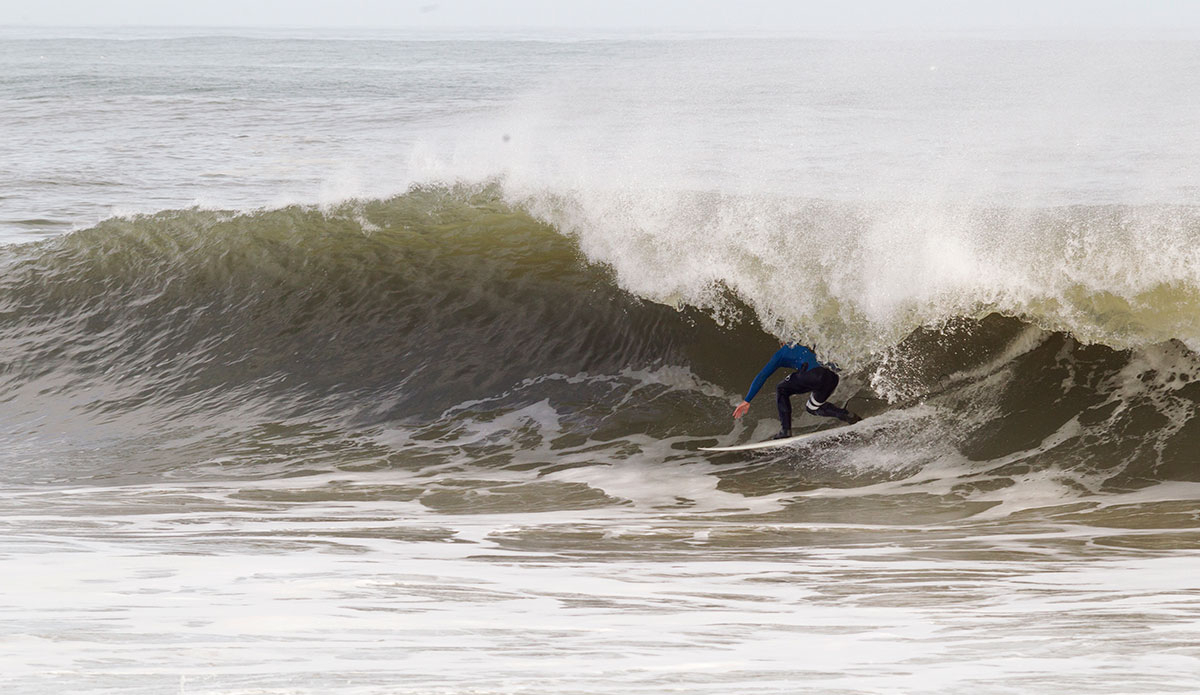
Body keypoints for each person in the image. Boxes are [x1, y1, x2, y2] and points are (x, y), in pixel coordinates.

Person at [732, 342, 860, 439]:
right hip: (831, 377)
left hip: (813, 375)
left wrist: (747, 400)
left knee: (781, 388)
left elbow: (762, 375)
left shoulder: (782, 352)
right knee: (813, 408)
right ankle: (849, 416)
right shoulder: (806, 345)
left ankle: (785, 431)